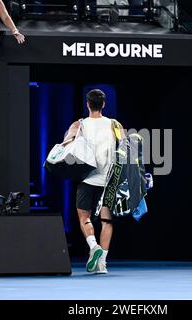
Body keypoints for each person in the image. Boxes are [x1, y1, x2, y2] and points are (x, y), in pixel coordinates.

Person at [64, 89, 123, 274]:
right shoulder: (115, 124)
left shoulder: (79, 124)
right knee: (107, 221)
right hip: (108, 181)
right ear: (103, 104)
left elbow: (66, 144)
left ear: (88, 104)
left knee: (84, 218)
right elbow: (126, 150)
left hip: (87, 180)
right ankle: (102, 263)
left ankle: (93, 246)